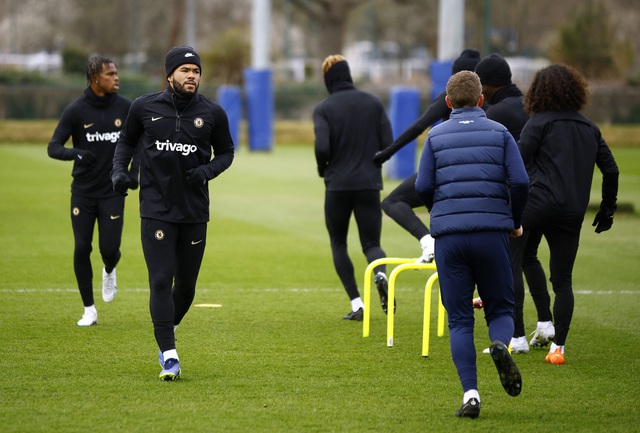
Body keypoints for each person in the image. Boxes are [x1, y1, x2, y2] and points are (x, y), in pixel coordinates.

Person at [112, 46, 235, 380]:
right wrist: (119, 171)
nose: (191, 76)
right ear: (170, 75)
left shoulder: (213, 113)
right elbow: (125, 142)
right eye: (185, 70)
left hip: (194, 211)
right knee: (161, 280)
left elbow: (226, 152)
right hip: (156, 208)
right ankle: (169, 354)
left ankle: (164, 330)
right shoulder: (144, 107)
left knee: (187, 288)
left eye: (196, 71)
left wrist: (207, 172)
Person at [415, 71, 529, 418]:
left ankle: (471, 395)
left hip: (450, 237)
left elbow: (422, 186)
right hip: (492, 232)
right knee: (501, 310)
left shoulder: (435, 135)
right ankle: (500, 345)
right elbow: (521, 181)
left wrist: (441, 212)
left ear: (448, 102)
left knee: (460, 321)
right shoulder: (500, 132)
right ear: (482, 100)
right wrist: (515, 219)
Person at [517, 64, 619, 365]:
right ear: (577, 91)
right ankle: (557, 349)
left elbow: (516, 162)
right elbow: (610, 170)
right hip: (572, 211)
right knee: (563, 281)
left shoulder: (538, 123)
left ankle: (517, 337)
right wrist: (607, 208)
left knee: (517, 258)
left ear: (539, 91)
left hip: (536, 205)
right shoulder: (590, 128)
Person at [48, 56, 137, 327]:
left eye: (116, 72)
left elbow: (142, 144)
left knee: (109, 249)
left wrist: (133, 175)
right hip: (83, 192)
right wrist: (76, 154)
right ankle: (89, 310)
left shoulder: (127, 108)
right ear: (95, 78)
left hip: (112, 191)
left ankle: (109, 269)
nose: (116, 77)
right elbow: (54, 147)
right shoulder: (76, 111)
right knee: (81, 246)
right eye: (110, 74)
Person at [373, 49, 481, 264]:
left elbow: (419, 126)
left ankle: (428, 240)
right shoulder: (495, 107)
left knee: (393, 202)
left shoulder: (451, 99)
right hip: (484, 175)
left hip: (448, 169)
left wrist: (386, 153)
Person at [313, 54, 392, 321]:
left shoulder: (324, 108)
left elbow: (322, 146)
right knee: (371, 244)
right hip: (369, 184)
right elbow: (387, 143)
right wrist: (373, 164)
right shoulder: (373, 103)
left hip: (337, 185)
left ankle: (358, 304)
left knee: (339, 243)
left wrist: (323, 168)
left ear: (328, 79)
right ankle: (380, 274)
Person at [475, 53, 533, 354]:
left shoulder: (496, 115)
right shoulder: (528, 106)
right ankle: (546, 324)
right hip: (543, 194)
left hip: (514, 198)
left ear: (486, 85)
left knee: (510, 266)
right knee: (530, 262)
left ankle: (517, 336)